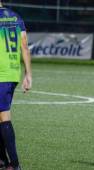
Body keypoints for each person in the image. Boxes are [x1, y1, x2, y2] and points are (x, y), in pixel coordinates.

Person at [0, 1, 32, 169]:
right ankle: (3, 160)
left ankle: (14, 163)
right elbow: (24, 46)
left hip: (1, 74)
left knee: (4, 117)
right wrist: (28, 74)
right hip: (12, 73)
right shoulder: (16, 16)